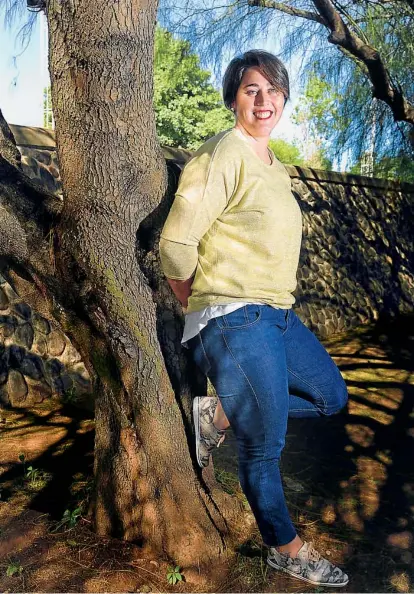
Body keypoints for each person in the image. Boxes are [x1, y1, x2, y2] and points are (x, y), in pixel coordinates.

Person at [159, 50, 349, 588]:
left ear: (284, 97)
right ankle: (284, 548)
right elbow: (175, 245)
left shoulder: (275, 166)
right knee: (264, 442)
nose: (263, 100)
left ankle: (216, 416)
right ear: (234, 98)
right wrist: (202, 301)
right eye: (251, 90)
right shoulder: (223, 154)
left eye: (272, 90)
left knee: (330, 397)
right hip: (233, 315)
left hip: (278, 314)